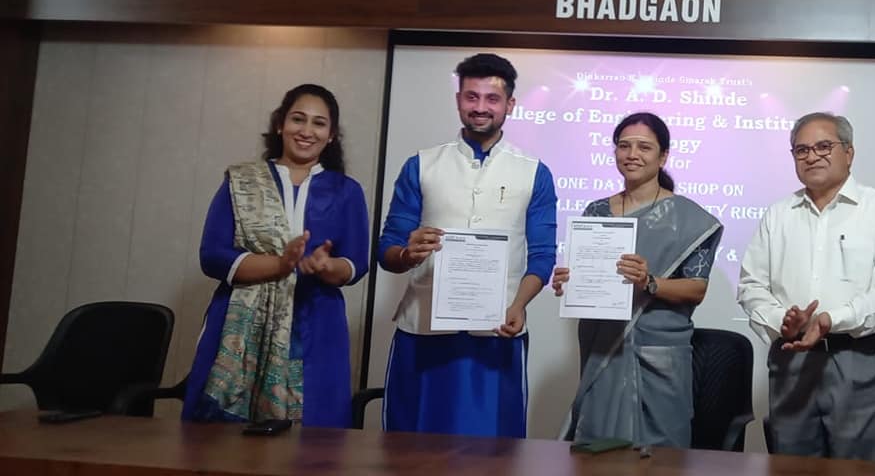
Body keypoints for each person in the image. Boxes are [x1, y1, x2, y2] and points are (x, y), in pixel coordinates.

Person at [376, 53, 557, 436]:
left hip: (497, 331)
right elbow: (388, 250)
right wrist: (407, 253)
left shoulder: (534, 172)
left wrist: (519, 305)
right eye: (471, 96)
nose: (480, 107)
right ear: (458, 99)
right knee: (410, 447)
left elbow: (542, 257)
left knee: (495, 449)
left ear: (510, 104)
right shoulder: (421, 165)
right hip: (423, 330)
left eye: (492, 99)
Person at [184, 84, 370, 428]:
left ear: (331, 136)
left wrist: (326, 266)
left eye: (319, 123)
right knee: (221, 441)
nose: (307, 131)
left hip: (316, 321)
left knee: (314, 437)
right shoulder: (242, 181)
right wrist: (281, 265)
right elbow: (212, 256)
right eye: (298, 119)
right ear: (280, 124)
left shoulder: (346, 191)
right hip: (238, 320)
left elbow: (357, 263)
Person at [736, 112, 875, 461]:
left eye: (823, 146)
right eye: (801, 150)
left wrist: (831, 319)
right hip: (792, 360)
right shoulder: (778, 214)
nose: (812, 156)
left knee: (860, 468)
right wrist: (782, 320)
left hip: (860, 358)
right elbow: (751, 285)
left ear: (849, 153)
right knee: (792, 466)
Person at [548, 112, 723, 449]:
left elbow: (697, 288)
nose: (632, 154)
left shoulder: (691, 218)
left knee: (661, 457)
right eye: (624, 146)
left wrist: (650, 282)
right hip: (604, 346)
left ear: (663, 156)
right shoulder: (596, 211)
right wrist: (569, 282)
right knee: (598, 452)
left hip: (659, 351)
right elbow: (590, 277)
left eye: (644, 147)